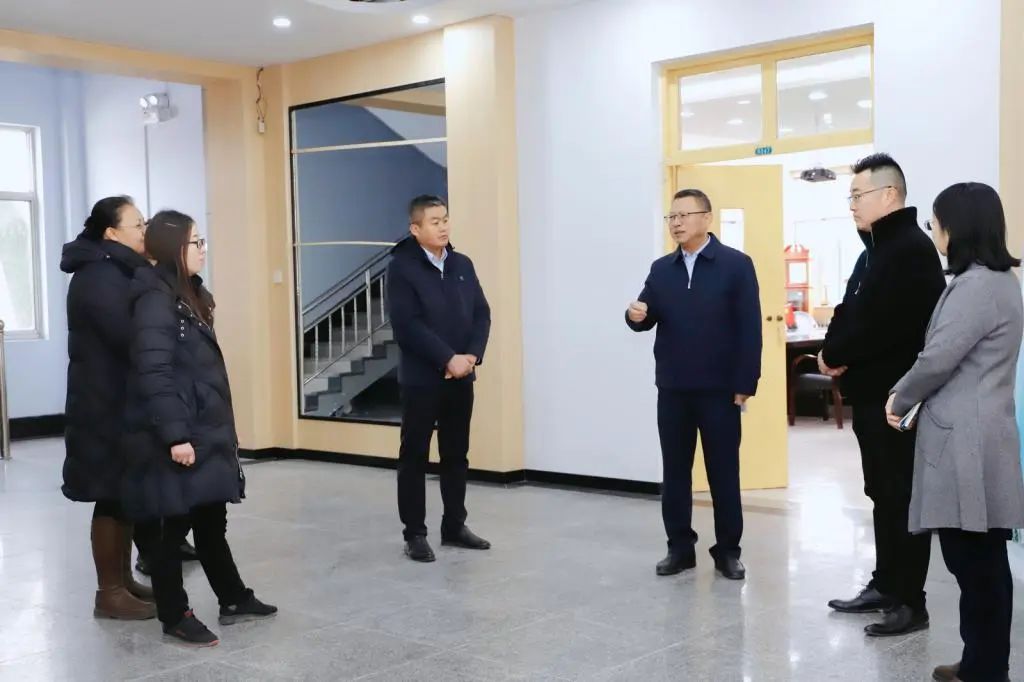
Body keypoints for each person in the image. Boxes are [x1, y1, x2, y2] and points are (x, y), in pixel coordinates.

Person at [886, 183, 1024, 682]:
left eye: (936, 222)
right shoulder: (1000, 280)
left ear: (957, 227)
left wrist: (899, 396)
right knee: (982, 563)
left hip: (966, 441)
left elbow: (937, 358)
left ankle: (985, 669)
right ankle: (982, 661)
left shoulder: (976, 287)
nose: (933, 232)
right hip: (982, 433)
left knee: (974, 564)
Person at [121, 210, 276, 646]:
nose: (203, 250)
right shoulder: (155, 300)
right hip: (179, 431)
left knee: (210, 519)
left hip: (203, 426)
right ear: (174, 247)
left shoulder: (189, 293)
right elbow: (155, 372)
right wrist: (176, 436)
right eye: (196, 242)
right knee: (173, 530)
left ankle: (233, 598)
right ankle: (174, 614)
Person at [820, 153, 946, 637]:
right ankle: (886, 584)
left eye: (858, 195)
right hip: (872, 396)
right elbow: (848, 308)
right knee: (881, 494)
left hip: (898, 401)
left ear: (889, 194)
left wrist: (836, 353)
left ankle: (911, 601)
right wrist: (831, 352)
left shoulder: (909, 250)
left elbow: (882, 326)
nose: (852, 204)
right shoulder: (874, 249)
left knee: (901, 496)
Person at [626, 187, 761, 581]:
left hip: (720, 391)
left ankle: (728, 552)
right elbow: (646, 315)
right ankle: (679, 548)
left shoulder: (736, 265)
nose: (677, 223)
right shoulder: (661, 269)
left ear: (706, 218)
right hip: (673, 390)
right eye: (672, 216)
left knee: (724, 473)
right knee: (675, 474)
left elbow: (750, 328)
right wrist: (634, 316)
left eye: (684, 215)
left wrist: (746, 381)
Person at [60, 196, 156, 620]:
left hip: (116, 400)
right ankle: (109, 592)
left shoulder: (116, 269)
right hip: (102, 405)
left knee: (121, 495)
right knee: (109, 494)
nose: (144, 231)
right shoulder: (100, 275)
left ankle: (123, 581)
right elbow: (127, 334)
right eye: (138, 225)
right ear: (112, 232)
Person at [387, 195, 492, 562]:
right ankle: (415, 533)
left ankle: (454, 526)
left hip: (461, 377)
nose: (443, 226)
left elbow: (481, 313)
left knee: (456, 454)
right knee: (414, 456)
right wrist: (447, 358)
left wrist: (471, 356)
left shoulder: (462, 264)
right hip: (421, 380)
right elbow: (407, 325)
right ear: (415, 229)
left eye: (445, 219)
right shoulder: (402, 268)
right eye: (434, 221)